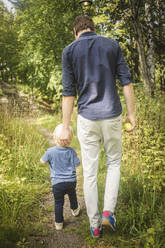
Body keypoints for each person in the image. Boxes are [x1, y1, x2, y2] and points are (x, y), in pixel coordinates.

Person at [59, 15, 136, 238]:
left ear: (76, 31)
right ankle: (108, 213)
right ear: (93, 28)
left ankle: (94, 226)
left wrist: (65, 126)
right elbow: (126, 82)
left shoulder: (69, 51)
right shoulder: (111, 44)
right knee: (113, 163)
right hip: (112, 115)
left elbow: (68, 92)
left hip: (86, 118)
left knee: (89, 172)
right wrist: (131, 114)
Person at [40, 124, 81, 230]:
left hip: (57, 183)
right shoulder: (71, 151)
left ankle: (59, 223)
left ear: (55, 138)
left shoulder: (50, 152)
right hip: (70, 181)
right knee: (72, 195)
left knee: (58, 202)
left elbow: (42, 161)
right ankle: (75, 209)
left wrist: (50, 160)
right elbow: (77, 163)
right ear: (70, 139)